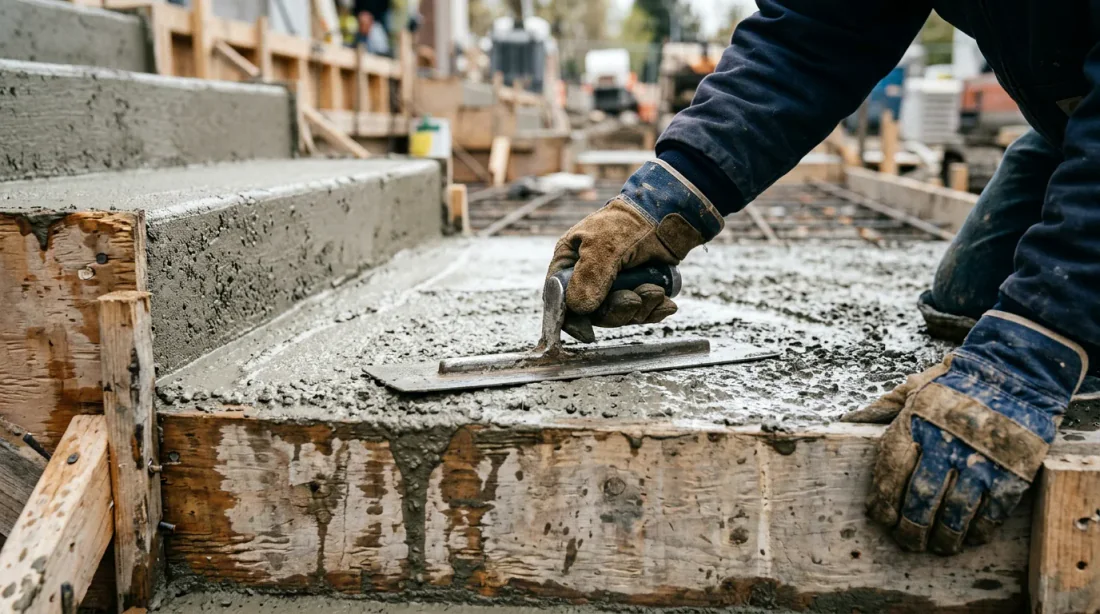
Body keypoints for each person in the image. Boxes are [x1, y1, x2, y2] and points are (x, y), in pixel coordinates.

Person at [548, 0, 1098, 555]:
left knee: (1049, 321)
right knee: (965, 298)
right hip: (1075, 129)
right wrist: (667, 200)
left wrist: (1031, 352)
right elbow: (816, 33)